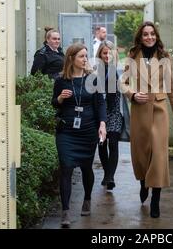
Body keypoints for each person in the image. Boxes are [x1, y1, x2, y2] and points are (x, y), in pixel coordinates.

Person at [120, 21, 173, 218]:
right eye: (146, 34)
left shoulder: (164, 57)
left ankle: (156, 198)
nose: (150, 37)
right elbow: (122, 82)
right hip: (139, 111)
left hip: (159, 111)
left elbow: (171, 86)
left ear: (156, 36)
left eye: (153, 34)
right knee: (141, 153)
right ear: (140, 37)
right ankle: (143, 183)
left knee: (158, 154)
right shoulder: (132, 56)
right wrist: (131, 94)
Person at [52, 43, 107, 228]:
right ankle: (66, 211)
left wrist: (102, 124)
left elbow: (100, 104)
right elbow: (55, 103)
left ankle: (87, 199)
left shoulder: (93, 79)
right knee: (66, 167)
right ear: (71, 59)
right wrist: (60, 98)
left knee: (86, 167)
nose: (85, 59)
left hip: (88, 131)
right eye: (81, 56)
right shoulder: (61, 80)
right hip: (67, 131)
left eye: (86, 56)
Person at [95, 41, 127, 191]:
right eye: (104, 53)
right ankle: (107, 174)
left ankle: (110, 177)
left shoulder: (119, 69)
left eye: (109, 52)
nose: (107, 55)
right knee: (102, 144)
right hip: (100, 113)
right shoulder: (96, 71)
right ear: (100, 55)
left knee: (113, 143)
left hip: (115, 112)